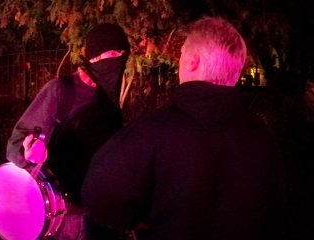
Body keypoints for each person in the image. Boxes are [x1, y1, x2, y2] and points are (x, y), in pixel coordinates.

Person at [81, 16, 287, 240]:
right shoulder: (264, 140)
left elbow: (98, 194)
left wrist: (139, 221)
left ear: (192, 62)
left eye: (181, 55)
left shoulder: (151, 132)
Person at [5, 23, 130, 239]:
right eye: (112, 53)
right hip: (66, 219)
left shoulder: (109, 100)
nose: (118, 59)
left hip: (101, 214)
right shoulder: (61, 90)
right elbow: (16, 144)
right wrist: (28, 154)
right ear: (94, 57)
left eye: (122, 53)